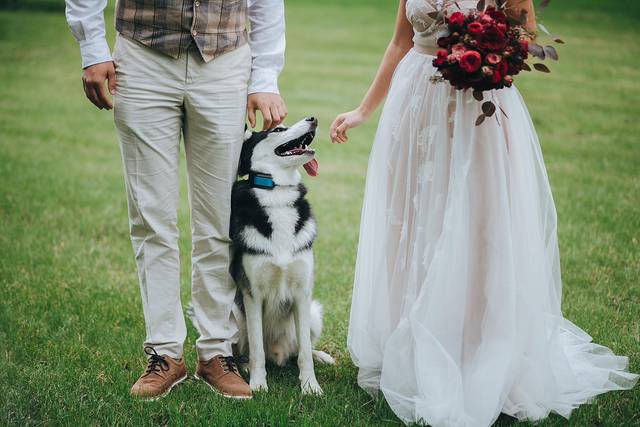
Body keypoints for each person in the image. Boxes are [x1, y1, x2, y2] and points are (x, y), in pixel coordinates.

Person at [330, 0, 637, 425]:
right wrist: (363, 110)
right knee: (415, 221)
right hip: (416, 103)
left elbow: (525, 33)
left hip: (476, 107)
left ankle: (473, 346)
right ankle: (416, 339)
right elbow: (399, 42)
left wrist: (490, 49)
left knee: (475, 223)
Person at [65, 0, 287, 400]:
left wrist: (265, 76)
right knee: (151, 218)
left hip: (225, 62)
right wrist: (93, 47)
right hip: (143, 58)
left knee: (219, 218)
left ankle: (217, 351)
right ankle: (165, 353)